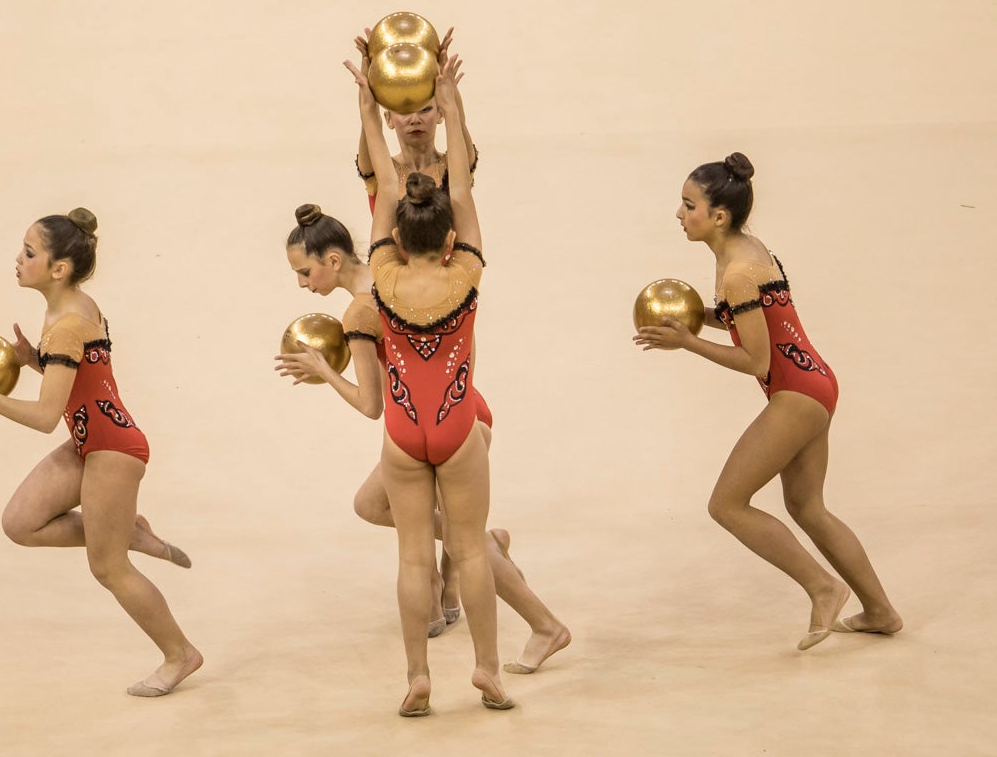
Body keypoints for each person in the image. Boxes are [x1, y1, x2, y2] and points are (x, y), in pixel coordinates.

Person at [275, 203, 570, 670]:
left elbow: (372, 406)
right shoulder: (397, 277)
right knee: (385, 507)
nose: (302, 284)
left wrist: (325, 371)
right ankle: (466, 563)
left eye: (304, 271)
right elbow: (465, 343)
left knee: (452, 535)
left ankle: (544, 623)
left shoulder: (363, 307)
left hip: (442, 422)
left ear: (333, 260)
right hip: (460, 408)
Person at [0, 208, 203, 696]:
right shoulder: (71, 307)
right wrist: (36, 362)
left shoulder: (67, 323)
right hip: (90, 442)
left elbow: (43, 417)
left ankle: (180, 654)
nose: (18, 258)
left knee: (108, 568)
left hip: (112, 450)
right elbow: (85, 383)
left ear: (59, 268)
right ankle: (128, 531)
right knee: (20, 523)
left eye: (29, 252)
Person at [632, 155, 903, 649]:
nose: (678, 213)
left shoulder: (737, 271)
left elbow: (756, 360)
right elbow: (757, 319)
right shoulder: (748, 249)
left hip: (796, 392)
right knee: (807, 505)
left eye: (688, 205)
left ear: (718, 216)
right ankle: (881, 611)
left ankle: (824, 588)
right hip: (815, 381)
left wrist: (687, 343)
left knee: (727, 504)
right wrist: (696, 318)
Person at [345, 49, 512, 715]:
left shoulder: (380, 276)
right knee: (470, 549)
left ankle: (416, 674)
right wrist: (452, 100)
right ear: (449, 238)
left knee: (414, 557)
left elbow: (386, 189)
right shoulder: (464, 273)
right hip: (454, 424)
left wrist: (366, 97)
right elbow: (462, 189)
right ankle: (489, 671)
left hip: (402, 431)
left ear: (390, 233)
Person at [353, 27, 478, 213]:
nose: (415, 119)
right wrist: (372, 80)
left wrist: (449, 92)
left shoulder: (453, 166)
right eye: (404, 112)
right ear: (388, 119)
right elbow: (369, 124)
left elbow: (458, 123)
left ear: (440, 114)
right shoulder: (384, 171)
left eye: (425, 110)